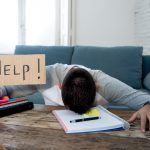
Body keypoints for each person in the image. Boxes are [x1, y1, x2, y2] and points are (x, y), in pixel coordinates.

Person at [0, 63, 150, 132]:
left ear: (96, 88)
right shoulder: (43, 74)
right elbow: (6, 87)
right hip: (50, 131)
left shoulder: (104, 83)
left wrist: (147, 106)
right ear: (60, 87)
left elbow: (142, 98)